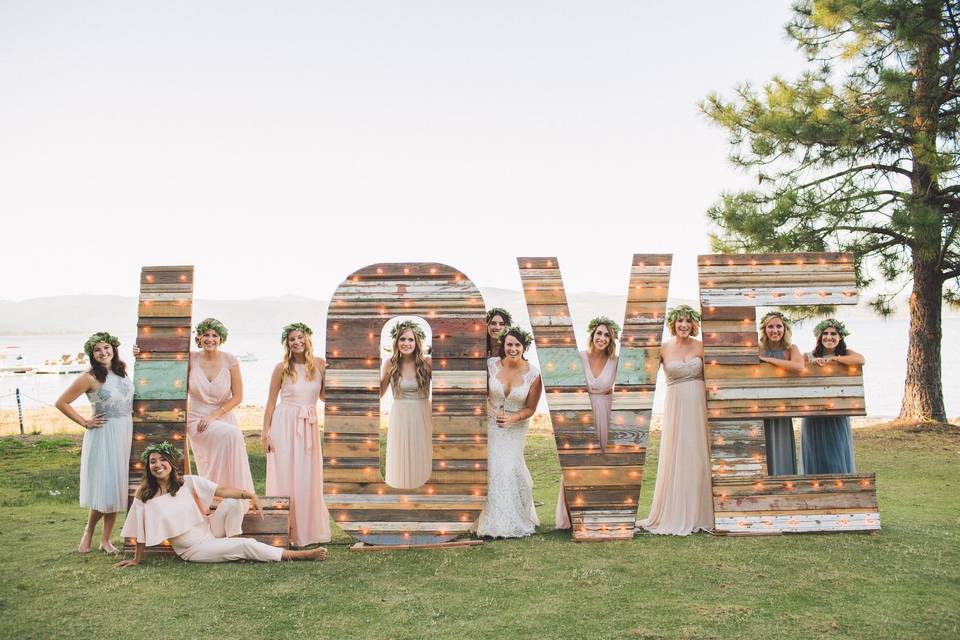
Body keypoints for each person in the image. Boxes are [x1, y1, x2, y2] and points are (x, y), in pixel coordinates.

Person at [116, 442, 325, 566]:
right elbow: (140, 531)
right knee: (246, 545)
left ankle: (231, 544)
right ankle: (300, 555)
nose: (157, 465)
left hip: (210, 529)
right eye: (153, 461)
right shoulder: (145, 496)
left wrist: (249, 494)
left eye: (162, 460)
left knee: (232, 502)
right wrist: (136, 559)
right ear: (148, 467)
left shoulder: (187, 482)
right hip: (195, 549)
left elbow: (222, 490)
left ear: (171, 464)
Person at [637, 305, 714, 535]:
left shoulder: (701, 346)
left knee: (698, 455)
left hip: (698, 405)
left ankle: (700, 512)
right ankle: (675, 511)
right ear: (673, 323)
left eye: (688, 322)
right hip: (675, 405)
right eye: (680, 321)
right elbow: (643, 371)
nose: (684, 325)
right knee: (678, 453)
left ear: (693, 324)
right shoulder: (663, 349)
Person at [55, 332, 133, 554]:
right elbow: (62, 402)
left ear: (114, 349)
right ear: (92, 354)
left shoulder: (121, 370)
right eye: (97, 350)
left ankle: (106, 540)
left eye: (106, 348)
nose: (103, 353)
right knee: (104, 486)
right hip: (103, 433)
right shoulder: (89, 377)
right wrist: (85, 422)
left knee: (116, 487)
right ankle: (88, 531)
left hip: (124, 432)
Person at [262, 322, 332, 546]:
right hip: (284, 423)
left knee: (307, 475)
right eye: (292, 339)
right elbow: (271, 402)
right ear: (287, 343)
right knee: (285, 475)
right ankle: (285, 531)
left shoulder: (319, 365)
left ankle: (308, 532)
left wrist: (332, 376)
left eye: (300, 338)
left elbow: (323, 397)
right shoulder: (281, 368)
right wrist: (265, 433)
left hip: (308, 424)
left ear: (308, 339)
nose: (297, 342)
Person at [475, 326, 543, 538]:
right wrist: (492, 412)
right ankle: (490, 522)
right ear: (503, 345)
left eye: (517, 345)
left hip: (516, 427)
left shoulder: (534, 375)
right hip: (491, 425)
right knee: (493, 469)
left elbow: (531, 409)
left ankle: (514, 519)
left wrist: (513, 418)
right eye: (509, 344)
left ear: (524, 347)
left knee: (510, 467)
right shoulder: (490, 366)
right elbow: (481, 395)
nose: (513, 348)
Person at [555, 316, 620, 530]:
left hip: (606, 413)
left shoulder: (616, 361)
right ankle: (572, 517)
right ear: (592, 335)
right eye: (599, 333)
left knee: (602, 465)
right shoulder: (578, 357)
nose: (602, 338)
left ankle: (599, 513)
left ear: (611, 340)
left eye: (607, 335)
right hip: (581, 415)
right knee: (576, 464)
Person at [186, 318, 255, 495]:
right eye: (206, 335)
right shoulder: (190, 359)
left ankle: (234, 496)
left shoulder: (230, 360)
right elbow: (163, 358)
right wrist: (138, 352)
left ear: (221, 338)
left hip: (222, 416)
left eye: (215, 335)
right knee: (219, 450)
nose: (210, 339)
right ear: (199, 337)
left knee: (232, 435)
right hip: (197, 419)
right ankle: (214, 495)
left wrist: (214, 415)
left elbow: (238, 396)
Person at [801, 319, 864, 474]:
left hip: (837, 414)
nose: (829, 337)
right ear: (819, 337)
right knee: (815, 455)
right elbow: (797, 370)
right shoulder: (808, 356)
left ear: (840, 337)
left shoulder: (846, 354)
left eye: (833, 334)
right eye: (825, 334)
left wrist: (835, 359)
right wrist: (814, 364)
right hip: (813, 416)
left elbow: (861, 360)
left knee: (836, 457)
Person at [380, 320, 433, 489]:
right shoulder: (390, 363)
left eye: (410, 340)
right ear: (396, 342)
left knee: (421, 454)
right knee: (401, 455)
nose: (406, 343)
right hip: (400, 414)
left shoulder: (427, 362)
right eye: (402, 339)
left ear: (417, 342)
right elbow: (380, 393)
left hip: (422, 412)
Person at [757, 311, 804, 475]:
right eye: (770, 326)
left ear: (785, 329)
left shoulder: (791, 349)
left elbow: (799, 367)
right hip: (760, 406)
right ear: (764, 329)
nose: (775, 330)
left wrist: (770, 360)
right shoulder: (758, 348)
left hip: (782, 406)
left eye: (779, 326)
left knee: (781, 444)